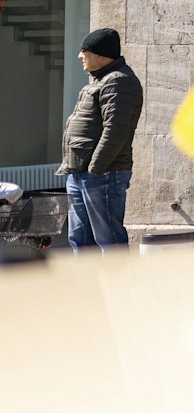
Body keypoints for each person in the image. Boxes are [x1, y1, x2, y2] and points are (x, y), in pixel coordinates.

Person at [58, 28, 143, 251]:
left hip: (102, 174)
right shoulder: (100, 80)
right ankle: (89, 286)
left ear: (101, 55)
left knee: (109, 241)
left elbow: (115, 131)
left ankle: (118, 286)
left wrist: (96, 169)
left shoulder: (118, 82)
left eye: (85, 51)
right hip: (81, 173)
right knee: (80, 240)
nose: (80, 56)